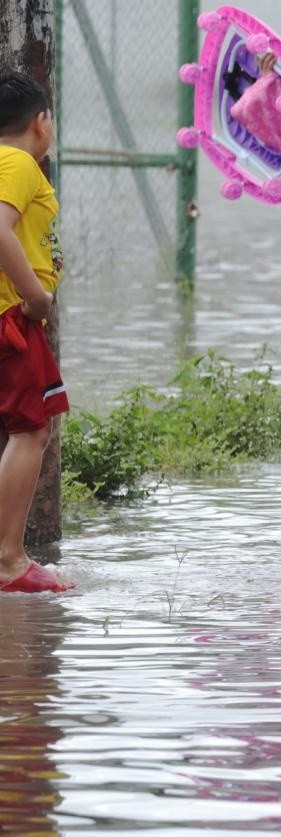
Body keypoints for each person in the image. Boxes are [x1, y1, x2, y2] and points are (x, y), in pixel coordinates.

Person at [0, 73, 72, 593]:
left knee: (27, 429)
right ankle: (8, 560)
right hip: (11, 317)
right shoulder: (18, 162)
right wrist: (36, 296)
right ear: (40, 121)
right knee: (31, 430)